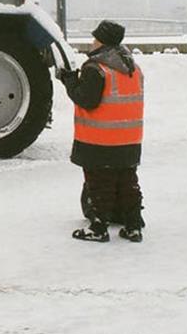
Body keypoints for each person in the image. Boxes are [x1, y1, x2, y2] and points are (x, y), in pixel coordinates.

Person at [60, 20, 146, 243]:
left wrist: (69, 82)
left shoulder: (96, 68)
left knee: (99, 183)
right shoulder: (133, 68)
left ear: (102, 41)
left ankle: (98, 227)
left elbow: (86, 100)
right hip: (129, 139)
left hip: (100, 140)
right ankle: (133, 226)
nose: (92, 42)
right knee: (128, 182)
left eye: (95, 38)